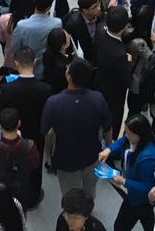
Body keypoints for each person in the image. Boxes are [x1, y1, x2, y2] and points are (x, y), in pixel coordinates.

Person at [40, 58, 111, 202]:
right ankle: (88, 210)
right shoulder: (98, 99)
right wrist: (108, 149)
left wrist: (48, 156)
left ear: (69, 75)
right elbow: (108, 128)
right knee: (90, 191)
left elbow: (46, 133)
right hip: (92, 156)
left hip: (65, 159)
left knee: (70, 196)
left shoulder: (53, 102)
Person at [98, 115, 155, 231]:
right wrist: (109, 150)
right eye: (125, 131)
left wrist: (124, 181)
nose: (126, 135)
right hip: (131, 194)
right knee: (147, 221)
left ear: (140, 135)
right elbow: (122, 141)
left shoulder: (148, 159)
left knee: (122, 226)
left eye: (129, 133)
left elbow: (148, 187)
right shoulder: (132, 139)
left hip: (139, 200)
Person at [0, 108, 41, 209]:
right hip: (22, 190)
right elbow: (35, 164)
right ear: (19, 123)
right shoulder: (30, 145)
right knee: (21, 212)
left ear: (0, 125)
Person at [0, 45, 52, 156]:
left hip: (14, 136)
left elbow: (0, 111)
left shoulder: (7, 88)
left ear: (16, 64)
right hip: (36, 137)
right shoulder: (46, 89)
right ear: (34, 62)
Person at [94, 6, 130, 137]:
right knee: (113, 119)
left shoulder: (100, 30)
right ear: (124, 27)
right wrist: (129, 62)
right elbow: (126, 81)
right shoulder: (120, 55)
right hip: (114, 93)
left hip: (99, 80)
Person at [9, 0, 62, 75]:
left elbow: (15, 48)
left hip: (27, 67)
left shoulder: (22, 25)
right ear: (49, 7)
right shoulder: (57, 23)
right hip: (48, 68)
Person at [62, 0, 102, 64]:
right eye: (94, 7)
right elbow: (69, 47)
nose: (99, 8)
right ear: (84, 10)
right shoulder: (73, 25)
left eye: (98, 4)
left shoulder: (100, 16)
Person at [41, 27, 72, 93]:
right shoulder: (62, 67)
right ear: (63, 45)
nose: (70, 36)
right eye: (67, 37)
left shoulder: (48, 53)